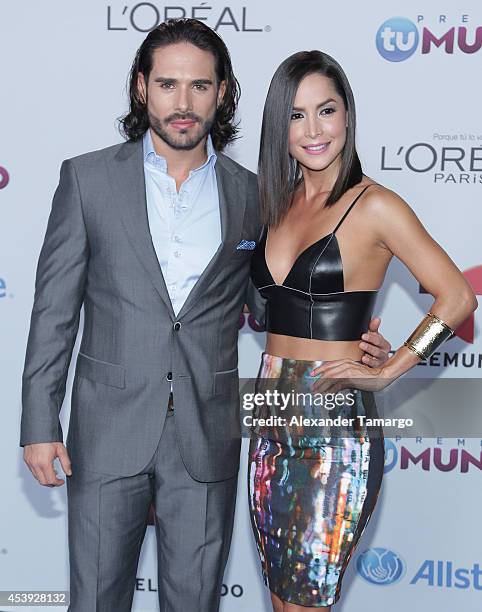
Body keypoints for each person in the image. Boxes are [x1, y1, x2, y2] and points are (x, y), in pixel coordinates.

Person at [19, 20, 391, 612]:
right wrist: (40, 421)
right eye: (168, 84)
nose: (184, 102)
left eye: (200, 86)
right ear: (142, 89)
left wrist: (345, 333)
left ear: (222, 94)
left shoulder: (255, 196)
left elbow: (272, 302)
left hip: (207, 432)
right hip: (107, 430)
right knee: (94, 600)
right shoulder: (87, 180)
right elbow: (53, 313)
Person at [248, 50, 477, 611]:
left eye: (326, 109)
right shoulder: (276, 206)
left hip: (333, 426)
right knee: (284, 602)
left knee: (306, 602)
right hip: (270, 419)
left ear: (348, 114)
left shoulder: (375, 205)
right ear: (280, 126)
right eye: (297, 115)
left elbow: (458, 296)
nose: (314, 129)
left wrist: (392, 366)